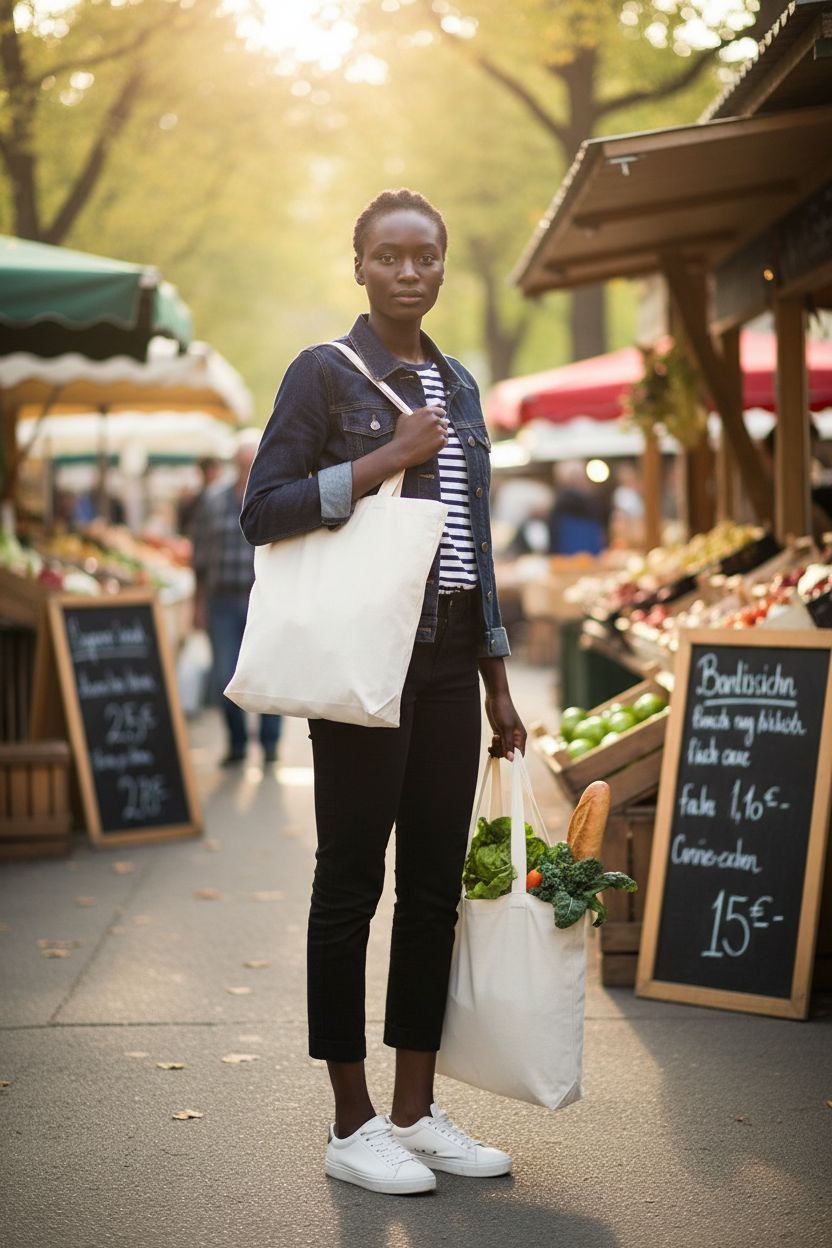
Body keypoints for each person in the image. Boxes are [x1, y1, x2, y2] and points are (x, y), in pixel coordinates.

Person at [241, 189, 526, 1195]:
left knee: (434, 889)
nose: (410, 271)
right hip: (365, 657)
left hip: (452, 660)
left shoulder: (458, 382)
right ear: (359, 264)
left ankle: (415, 1107)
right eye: (390, 256)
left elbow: (473, 547)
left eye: (426, 256)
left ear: (442, 265)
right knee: (349, 884)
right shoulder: (323, 374)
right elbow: (262, 512)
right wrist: (381, 461)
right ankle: (350, 1119)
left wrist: (497, 681)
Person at [192, 432, 282, 766]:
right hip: (222, 602)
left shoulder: (275, 494)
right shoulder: (212, 499)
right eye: (241, 463)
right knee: (226, 676)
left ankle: (271, 744)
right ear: (234, 464)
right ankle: (238, 744)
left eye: (252, 462)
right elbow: (199, 555)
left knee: (269, 674)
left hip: (266, 600)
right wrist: (197, 603)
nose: (247, 469)